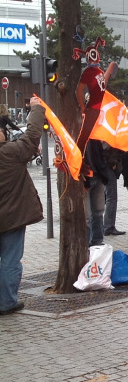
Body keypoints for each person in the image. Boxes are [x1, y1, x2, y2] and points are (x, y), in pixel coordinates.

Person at [0, 97, 44, 314]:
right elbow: (33, 136)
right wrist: (36, 108)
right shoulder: (9, 153)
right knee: (10, 261)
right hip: (11, 219)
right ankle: (6, 302)